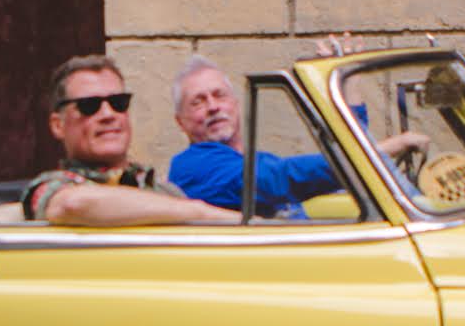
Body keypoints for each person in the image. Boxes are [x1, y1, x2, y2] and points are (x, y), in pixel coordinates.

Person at [166, 56, 426, 218]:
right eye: (198, 102)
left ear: (235, 103)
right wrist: (376, 152)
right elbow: (277, 179)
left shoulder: (254, 159)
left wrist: (350, 87)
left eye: (219, 95)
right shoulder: (191, 166)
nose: (213, 106)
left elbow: (345, 171)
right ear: (181, 122)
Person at [22, 55, 235, 226]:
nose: (108, 114)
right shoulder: (51, 188)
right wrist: (197, 211)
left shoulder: (164, 190)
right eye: (89, 106)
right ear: (58, 125)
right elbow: (74, 205)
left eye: (118, 103)